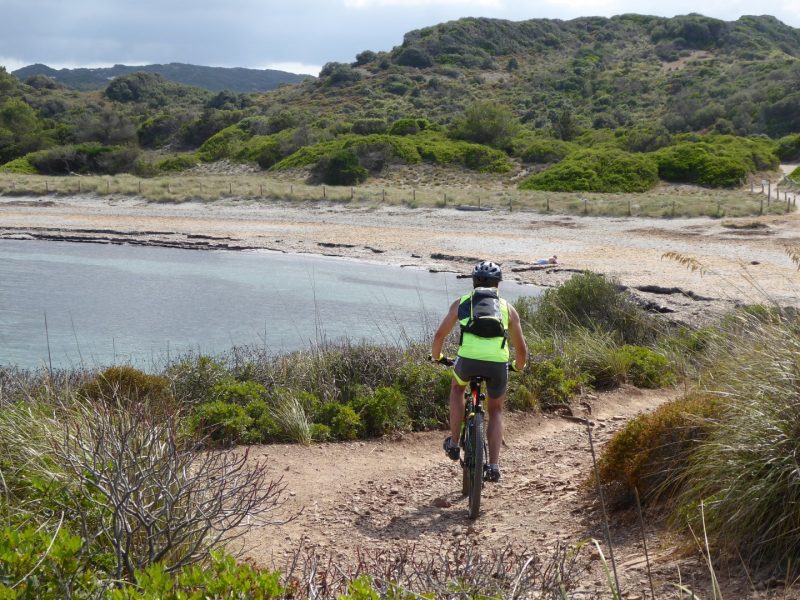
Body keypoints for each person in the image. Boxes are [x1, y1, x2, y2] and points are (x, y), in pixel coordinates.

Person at [430, 260, 528, 482]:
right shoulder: (507, 309)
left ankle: (454, 443)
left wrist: (437, 358)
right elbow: (522, 350)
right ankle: (493, 466)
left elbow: (439, 336)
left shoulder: (461, 303)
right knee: (496, 411)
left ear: (474, 282)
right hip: (497, 365)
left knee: (457, 389)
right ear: (498, 284)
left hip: (467, 362)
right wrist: (517, 367)